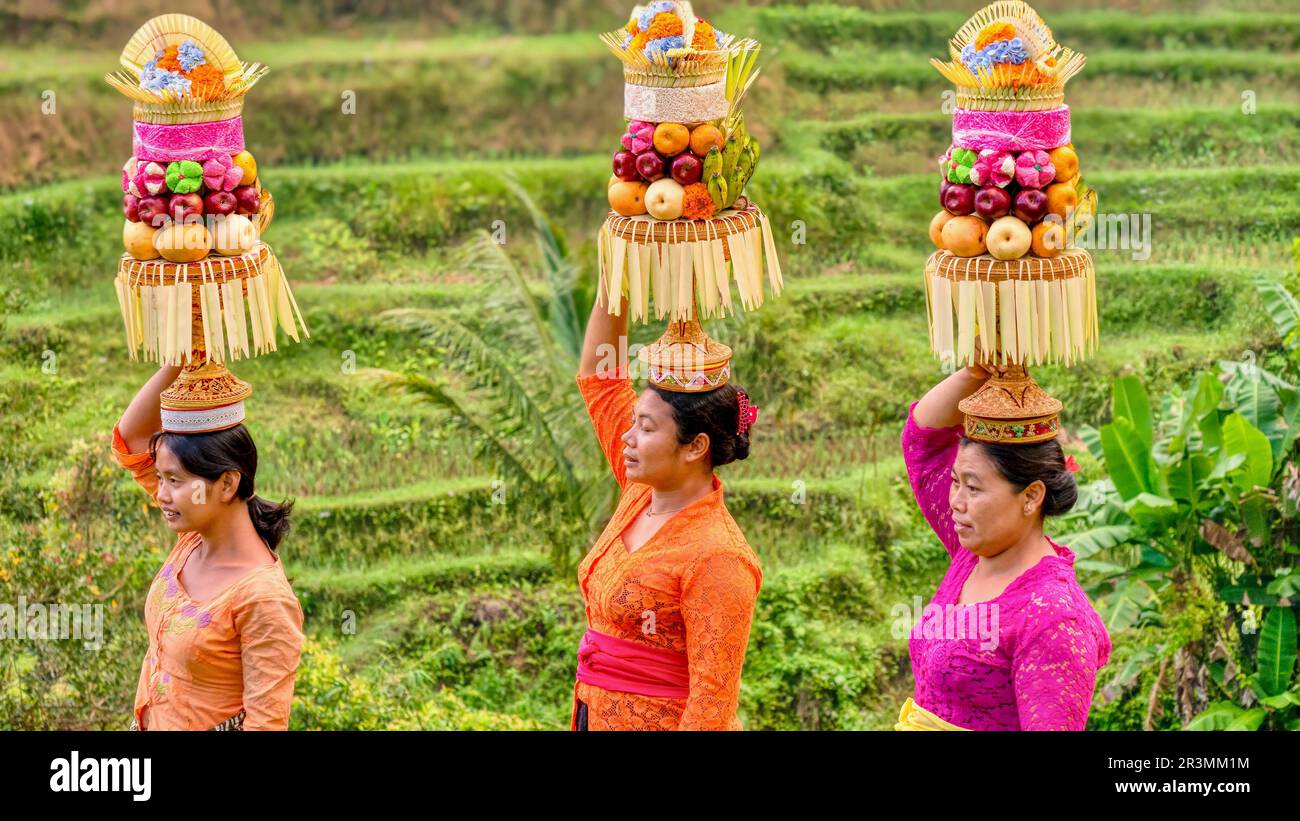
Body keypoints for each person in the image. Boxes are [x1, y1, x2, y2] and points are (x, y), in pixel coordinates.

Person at [571, 293, 763, 730]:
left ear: (696, 446)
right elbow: (601, 379)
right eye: (633, 420)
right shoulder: (639, 494)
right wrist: (616, 277)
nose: (627, 437)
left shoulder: (719, 557)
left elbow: (711, 708)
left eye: (646, 427)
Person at [899, 357, 1110, 730]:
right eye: (955, 482)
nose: (956, 502)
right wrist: (974, 372)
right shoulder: (972, 552)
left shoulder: (1055, 617)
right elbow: (922, 440)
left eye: (974, 487)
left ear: (1031, 497)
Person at [114, 364, 305, 730]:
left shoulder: (263, 600)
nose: (162, 495)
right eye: (159, 479)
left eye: (174, 480)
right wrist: (178, 359)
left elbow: (265, 725)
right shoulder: (194, 535)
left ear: (228, 483)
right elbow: (132, 437)